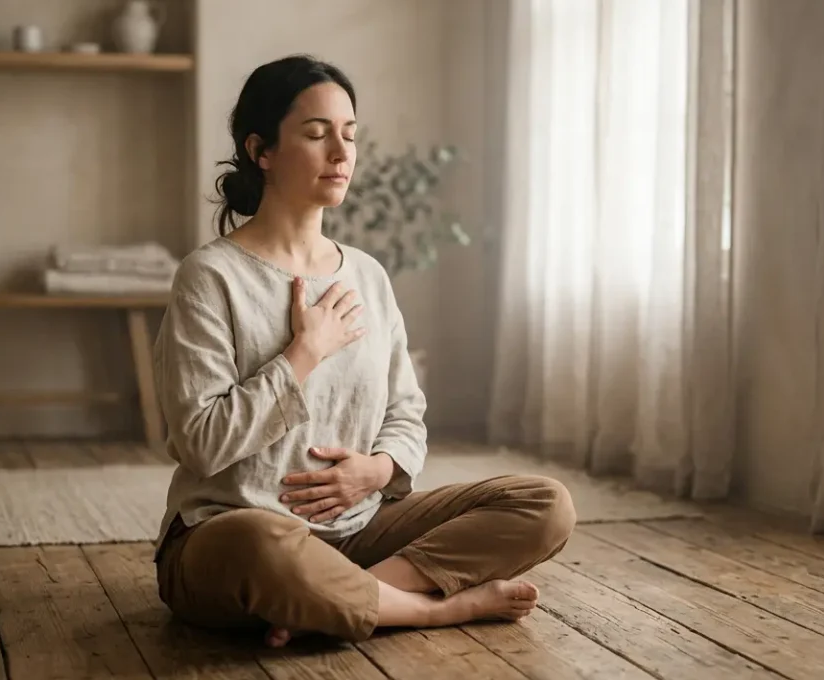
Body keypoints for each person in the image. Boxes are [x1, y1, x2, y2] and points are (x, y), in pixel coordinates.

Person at [150, 54, 576, 648]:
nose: (341, 153)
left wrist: (377, 471)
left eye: (349, 135)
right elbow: (200, 442)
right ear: (261, 150)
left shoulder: (367, 276)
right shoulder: (210, 275)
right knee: (262, 542)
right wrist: (305, 352)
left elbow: (406, 412)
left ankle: (338, 599)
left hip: (359, 529)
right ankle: (430, 610)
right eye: (317, 134)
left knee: (543, 504)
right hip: (231, 536)